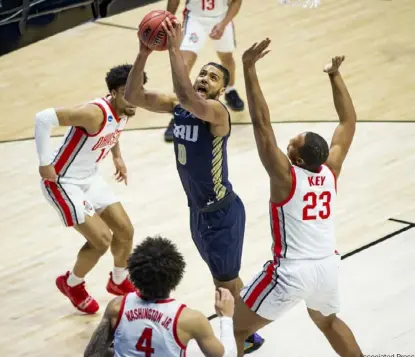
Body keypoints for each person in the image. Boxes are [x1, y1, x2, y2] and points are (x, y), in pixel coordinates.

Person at [124, 19, 264, 354]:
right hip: (198, 211)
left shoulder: (217, 112)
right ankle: (247, 329)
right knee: (224, 279)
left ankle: (243, 337)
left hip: (221, 213)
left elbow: (186, 95)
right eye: (202, 73)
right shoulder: (179, 107)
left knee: (223, 282)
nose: (204, 78)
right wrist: (144, 53)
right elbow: (132, 95)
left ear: (220, 91)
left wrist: (173, 47)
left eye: (212, 77)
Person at [232, 39, 363, 357]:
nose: (287, 141)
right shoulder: (330, 171)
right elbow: (348, 123)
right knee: (329, 323)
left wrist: (248, 69)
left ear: (300, 160)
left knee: (233, 328)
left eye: (293, 143)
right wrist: (335, 75)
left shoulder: (285, 177)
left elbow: (262, 125)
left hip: (292, 271)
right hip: (327, 267)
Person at [34, 64, 146, 314]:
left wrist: (117, 156)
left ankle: (118, 281)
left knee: (125, 231)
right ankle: (72, 284)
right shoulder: (93, 114)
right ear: (115, 92)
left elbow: (115, 131)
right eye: (132, 92)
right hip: (62, 181)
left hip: (90, 177)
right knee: (101, 240)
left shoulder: (126, 108)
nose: (137, 98)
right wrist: (44, 163)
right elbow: (43, 118)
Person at [83, 236, 238, 357]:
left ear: (133, 273)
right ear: (176, 277)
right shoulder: (191, 320)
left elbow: (92, 354)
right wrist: (226, 317)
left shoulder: (117, 306)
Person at [163, 0, 245, 142]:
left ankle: (230, 90)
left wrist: (224, 24)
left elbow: (237, 1)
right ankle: (178, 113)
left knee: (227, 59)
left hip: (221, 17)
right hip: (195, 19)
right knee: (183, 65)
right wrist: (167, 18)